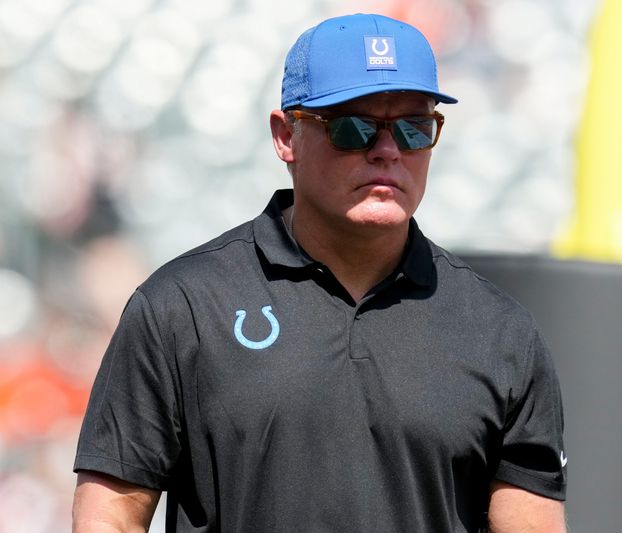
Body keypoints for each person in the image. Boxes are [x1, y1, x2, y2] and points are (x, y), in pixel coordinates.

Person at [72, 13, 567, 533]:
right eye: (353, 127)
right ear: (286, 136)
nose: (388, 150)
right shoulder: (183, 306)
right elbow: (110, 515)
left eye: (415, 128)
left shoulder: (500, 331)